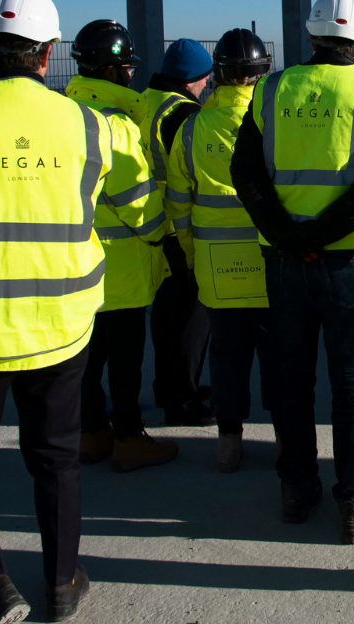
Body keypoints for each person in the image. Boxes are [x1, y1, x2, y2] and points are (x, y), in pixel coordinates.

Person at [0, 0, 145, 623]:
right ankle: (61, 583)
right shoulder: (90, 125)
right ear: (49, 54)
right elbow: (135, 200)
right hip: (59, 320)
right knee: (55, 456)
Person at [231, 0, 354, 544]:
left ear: (311, 35)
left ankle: (296, 489)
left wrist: (287, 234)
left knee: (289, 380)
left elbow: (245, 172)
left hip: (282, 260)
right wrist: (321, 236)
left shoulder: (271, 88)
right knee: (351, 384)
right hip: (346, 261)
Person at [65, 20, 176, 473]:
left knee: (86, 358)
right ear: (112, 71)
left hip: (73, 263)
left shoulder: (62, 113)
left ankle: (90, 434)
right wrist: (161, 236)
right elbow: (138, 202)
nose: (131, 75)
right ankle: (128, 437)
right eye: (127, 67)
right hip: (122, 269)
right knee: (125, 359)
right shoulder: (114, 125)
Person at [166, 28, 279, 473]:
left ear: (217, 74)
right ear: (261, 75)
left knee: (228, 354)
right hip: (270, 259)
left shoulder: (192, 130)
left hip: (215, 265)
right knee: (277, 352)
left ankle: (228, 444)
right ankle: (288, 440)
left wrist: (193, 257)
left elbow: (178, 203)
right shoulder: (274, 124)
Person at [142, 38, 216, 426]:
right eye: (205, 79)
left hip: (150, 224)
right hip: (176, 227)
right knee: (191, 317)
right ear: (192, 80)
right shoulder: (182, 112)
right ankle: (182, 400)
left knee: (166, 314)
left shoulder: (146, 100)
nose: (207, 86)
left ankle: (166, 386)